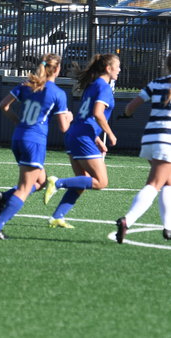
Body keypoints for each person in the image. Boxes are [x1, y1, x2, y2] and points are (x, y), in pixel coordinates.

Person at [0, 54, 72, 239]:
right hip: (34, 141)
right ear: (57, 69)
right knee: (24, 188)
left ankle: (4, 197)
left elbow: (3, 105)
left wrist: (18, 122)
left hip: (18, 137)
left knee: (41, 182)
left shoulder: (27, 85)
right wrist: (70, 117)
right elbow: (64, 127)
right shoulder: (57, 93)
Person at [44, 53, 121, 228]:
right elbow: (97, 113)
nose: (119, 70)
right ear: (108, 68)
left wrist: (96, 139)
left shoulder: (92, 85)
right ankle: (57, 182)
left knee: (82, 181)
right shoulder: (103, 87)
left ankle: (57, 216)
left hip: (75, 134)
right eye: (117, 66)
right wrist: (110, 134)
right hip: (82, 137)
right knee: (101, 182)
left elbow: (85, 117)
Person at [114, 54, 171, 243]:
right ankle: (127, 220)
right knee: (155, 183)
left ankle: (168, 227)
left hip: (150, 137)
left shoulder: (156, 83)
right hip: (167, 140)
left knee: (168, 182)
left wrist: (126, 114)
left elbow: (131, 106)